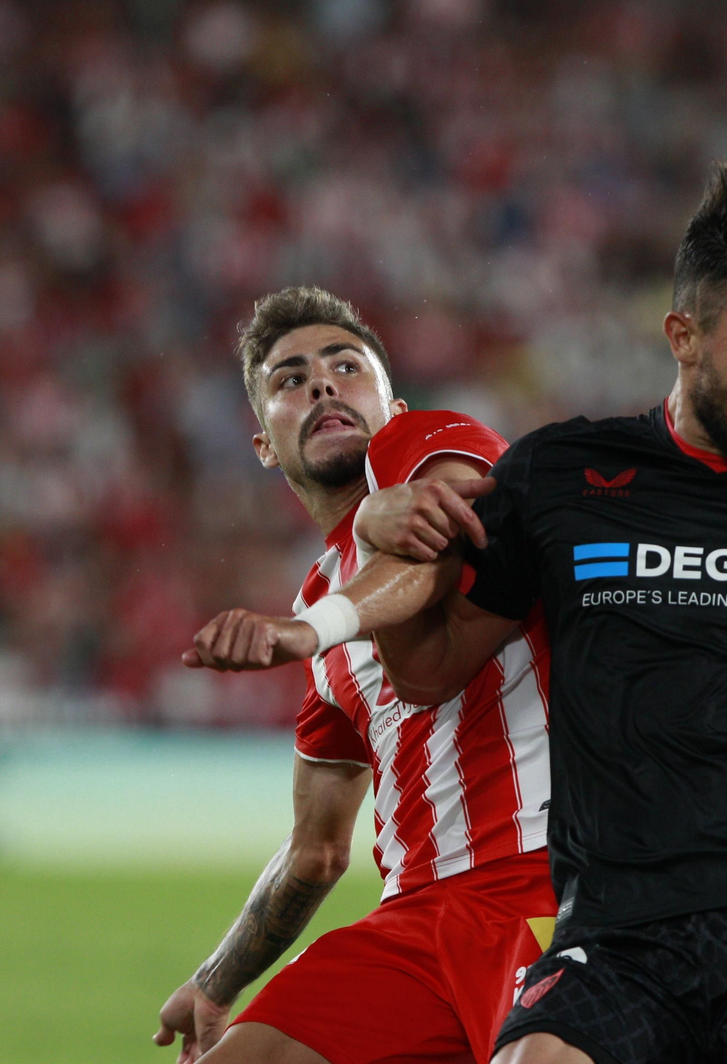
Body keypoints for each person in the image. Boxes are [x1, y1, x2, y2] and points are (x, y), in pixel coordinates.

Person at [191, 160, 727, 1064]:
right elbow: (417, 683)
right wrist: (369, 545)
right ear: (683, 336)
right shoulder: (563, 477)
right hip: (614, 920)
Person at [153, 286, 555, 1064]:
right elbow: (316, 849)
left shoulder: (431, 442)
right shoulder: (320, 603)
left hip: (542, 883)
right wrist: (214, 981)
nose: (323, 385)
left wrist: (305, 633)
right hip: (413, 924)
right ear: (265, 444)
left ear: (391, 403)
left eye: (346, 366)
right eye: (290, 379)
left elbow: (431, 541)